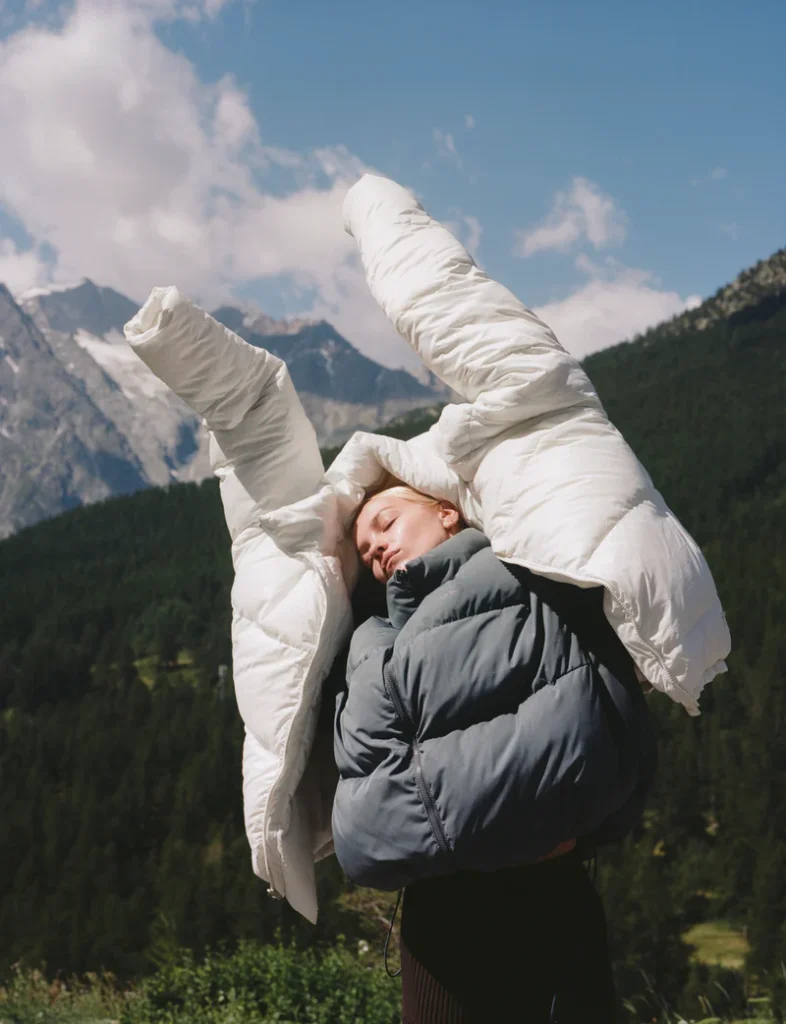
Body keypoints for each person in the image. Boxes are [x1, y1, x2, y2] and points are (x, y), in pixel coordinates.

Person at [331, 474, 658, 1024]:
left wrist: (588, 828)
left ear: (446, 512)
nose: (377, 549)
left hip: (547, 889)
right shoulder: (373, 639)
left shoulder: (526, 569)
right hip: (445, 917)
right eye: (365, 554)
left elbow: (606, 715)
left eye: (386, 523)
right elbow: (362, 822)